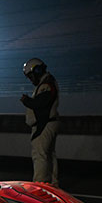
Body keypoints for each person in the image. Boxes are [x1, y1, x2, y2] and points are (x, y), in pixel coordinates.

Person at [20, 58, 60, 187]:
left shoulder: (46, 85)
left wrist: (26, 101)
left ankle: (39, 187)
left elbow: (41, 103)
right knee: (49, 156)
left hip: (44, 125)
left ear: (37, 71)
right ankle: (53, 185)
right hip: (49, 123)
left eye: (31, 76)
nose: (31, 79)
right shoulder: (48, 82)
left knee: (40, 156)